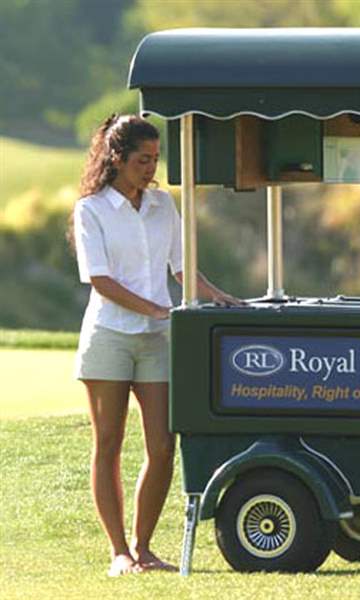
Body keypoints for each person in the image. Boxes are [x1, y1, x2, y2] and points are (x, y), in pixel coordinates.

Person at [72, 114, 242, 576]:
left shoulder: (164, 206)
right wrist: (156, 309)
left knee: (163, 445)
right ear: (116, 158)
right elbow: (101, 280)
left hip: (157, 341)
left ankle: (143, 549)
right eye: (142, 160)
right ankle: (118, 552)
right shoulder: (91, 209)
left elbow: (183, 268)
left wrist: (219, 297)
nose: (151, 168)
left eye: (155, 159)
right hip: (109, 336)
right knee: (108, 443)